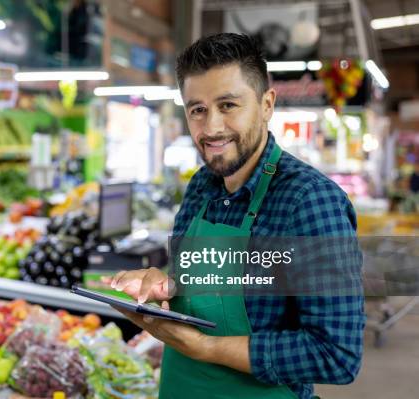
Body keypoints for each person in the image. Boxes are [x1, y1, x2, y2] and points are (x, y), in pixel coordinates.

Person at [104, 34, 365, 399]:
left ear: (267, 104)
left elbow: (337, 355)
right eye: (197, 109)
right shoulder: (201, 186)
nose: (211, 128)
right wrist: (162, 284)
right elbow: (196, 282)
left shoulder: (309, 201)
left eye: (228, 105)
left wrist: (207, 348)